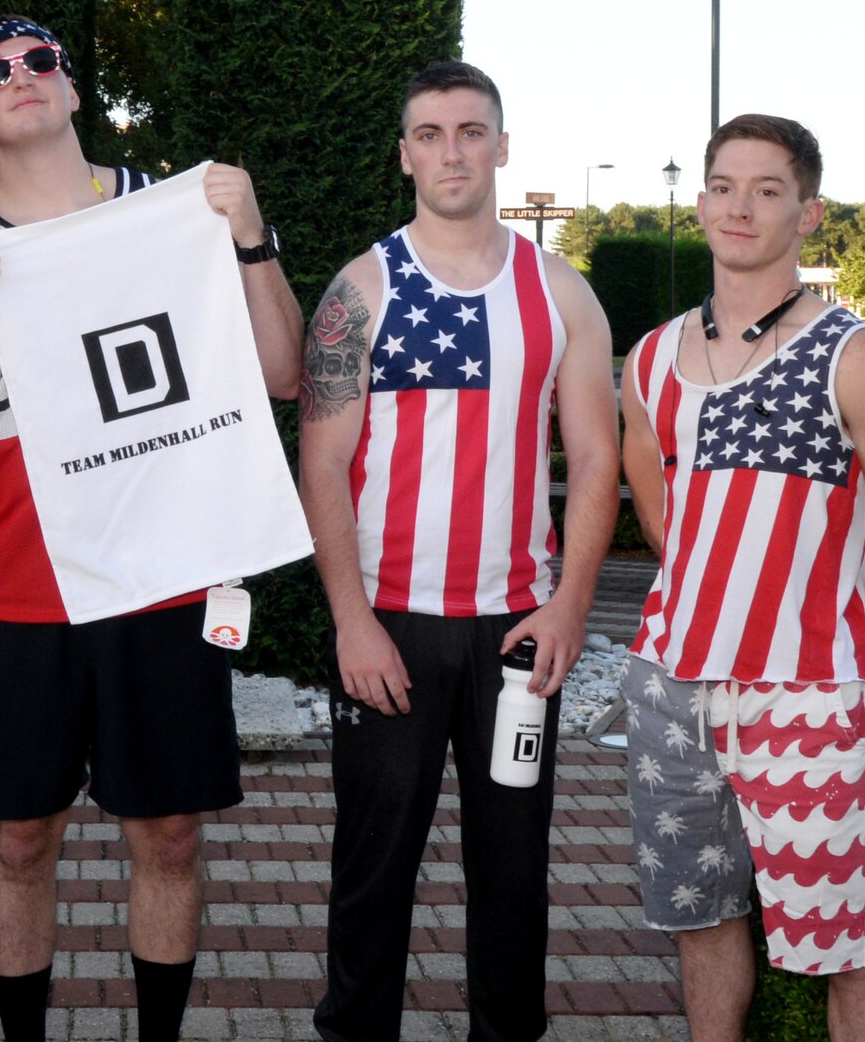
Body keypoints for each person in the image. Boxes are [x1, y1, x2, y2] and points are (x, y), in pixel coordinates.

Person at [0, 15, 303, 1042]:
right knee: (20, 840)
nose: (21, 77)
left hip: (161, 578)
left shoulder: (174, 212)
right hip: (13, 589)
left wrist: (250, 235)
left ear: (73, 89)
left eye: (41, 61)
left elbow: (281, 373)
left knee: (168, 836)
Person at [299, 61, 621, 1042]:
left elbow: (597, 460)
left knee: (513, 870)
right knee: (372, 868)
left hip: (516, 635)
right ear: (404, 154)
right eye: (430, 134)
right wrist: (351, 621)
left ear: (501, 146)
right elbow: (321, 462)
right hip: (388, 629)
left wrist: (569, 607)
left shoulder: (560, 292)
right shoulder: (360, 289)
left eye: (470, 132)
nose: (451, 152)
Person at [620, 114, 865, 1042]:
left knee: (847, 945)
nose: (740, 207)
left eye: (767, 191)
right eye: (724, 187)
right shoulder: (651, 358)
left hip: (808, 698)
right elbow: (662, 518)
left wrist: (840, 642)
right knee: (701, 920)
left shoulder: (859, 358)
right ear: (700, 203)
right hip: (670, 685)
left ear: (808, 213)